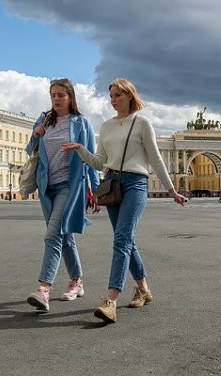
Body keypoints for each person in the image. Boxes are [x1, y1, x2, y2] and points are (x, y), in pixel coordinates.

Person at [63, 78, 188, 324]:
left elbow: (156, 159)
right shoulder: (107, 126)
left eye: (118, 95)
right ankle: (143, 289)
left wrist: (171, 190)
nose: (113, 100)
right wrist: (80, 149)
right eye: (110, 95)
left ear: (130, 95)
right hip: (111, 185)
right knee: (126, 241)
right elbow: (100, 162)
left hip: (136, 184)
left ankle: (111, 300)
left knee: (121, 239)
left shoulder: (142, 123)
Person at [25, 78, 99, 313]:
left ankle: (43, 289)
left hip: (70, 186)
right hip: (47, 187)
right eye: (53, 95)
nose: (56, 99)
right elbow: (30, 150)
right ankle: (77, 282)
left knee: (52, 236)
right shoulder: (44, 119)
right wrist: (36, 134)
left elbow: (90, 158)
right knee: (64, 237)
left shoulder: (81, 123)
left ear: (70, 97)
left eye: (60, 95)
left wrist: (95, 189)